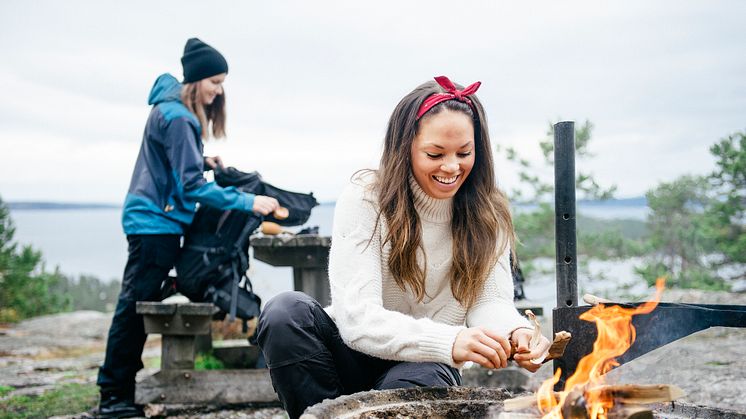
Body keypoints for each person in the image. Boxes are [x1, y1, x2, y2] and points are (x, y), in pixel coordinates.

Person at [256, 76, 551, 419]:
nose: (452, 167)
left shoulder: (490, 211)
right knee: (284, 313)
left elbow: (490, 302)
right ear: (405, 146)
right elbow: (357, 318)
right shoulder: (366, 197)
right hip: (349, 355)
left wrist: (515, 332)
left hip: (425, 368)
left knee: (425, 372)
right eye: (435, 153)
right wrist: (451, 340)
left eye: (465, 153)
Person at [96, 38, 279, 418]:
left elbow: (175, 166)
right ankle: (114, 398)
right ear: (195, 81)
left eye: (222, 83)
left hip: (152, 220)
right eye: (215, 81)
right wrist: (249, 202)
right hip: (155, 223)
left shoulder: (167, 110)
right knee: (133, 308)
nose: (218, 91)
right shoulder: (180, 118)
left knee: (137, 301)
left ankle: (117, 390)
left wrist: (201, 159)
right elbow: (191, 186)